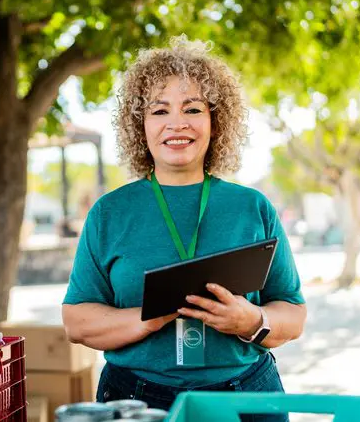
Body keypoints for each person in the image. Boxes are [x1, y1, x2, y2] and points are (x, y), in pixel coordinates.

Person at [62, 37, 306, 420]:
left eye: (192, 108)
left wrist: (252, 321)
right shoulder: (109, 213)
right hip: (136, 399)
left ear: (215, 121)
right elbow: (77, 321)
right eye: (160, 111)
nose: (177, 123)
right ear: (139, 125)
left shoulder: (252, 207)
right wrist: (149, 317)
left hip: (246, 395)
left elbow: (293, 313)